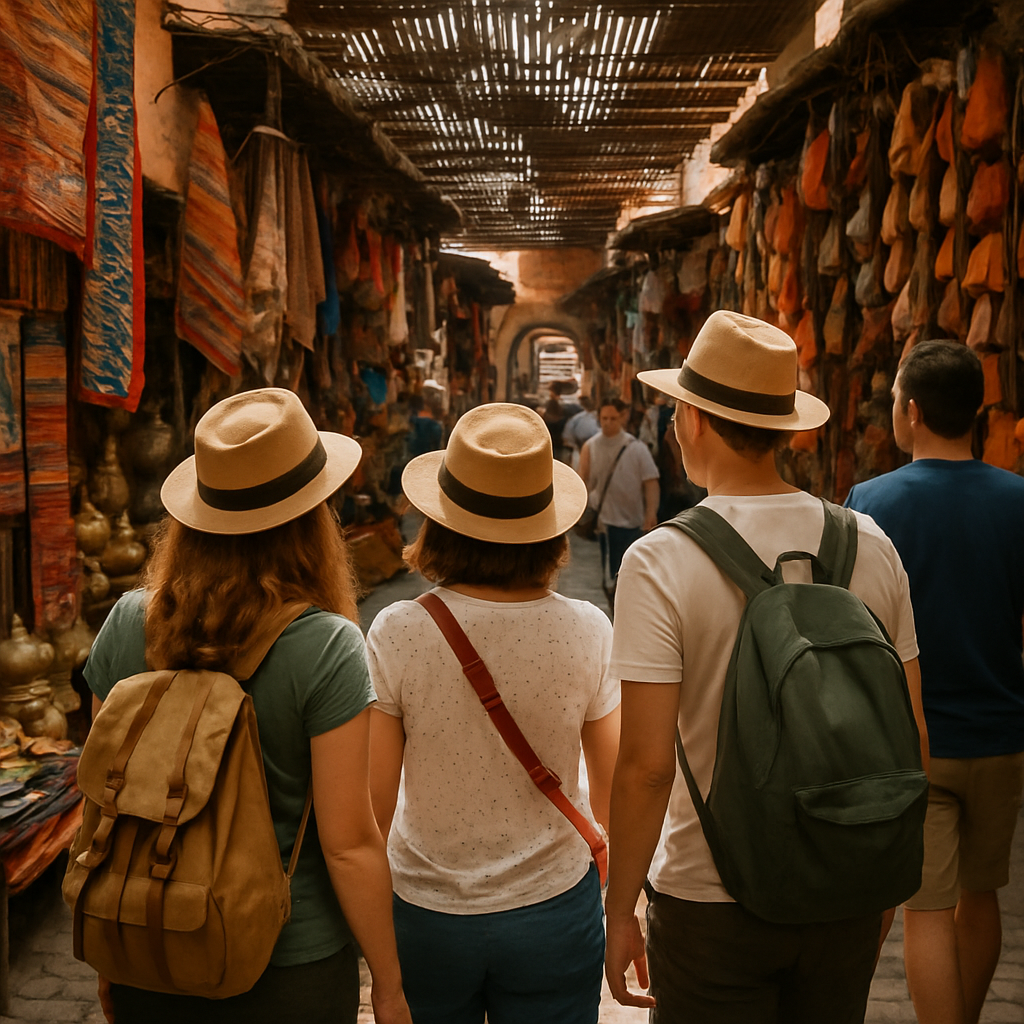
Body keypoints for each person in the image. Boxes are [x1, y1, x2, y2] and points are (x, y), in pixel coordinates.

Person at [603, 310, 927, 1023]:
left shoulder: (659, 560)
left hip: (708, 899)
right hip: (844, 884)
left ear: (692, 420)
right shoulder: (871, 544)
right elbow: (911, 733)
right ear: (784, 428)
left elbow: (647, 767)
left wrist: (620, 907)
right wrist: (882, 882)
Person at [82, 388, 411, 1024]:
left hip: (150, 942)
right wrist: (390, 987)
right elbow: (349, 844)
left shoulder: (127, 623)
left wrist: (111, 953)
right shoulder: (326, 646)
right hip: (290, 964)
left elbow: (105, 805)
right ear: (311, 518)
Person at [366, 403, 621, 1024]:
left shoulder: (399, 630)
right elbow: (611, 785)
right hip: (552, 906)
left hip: (426, 911)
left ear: (440, 524)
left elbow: (373, 803)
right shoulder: (587, 629)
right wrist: (616, 898)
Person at [846, 341, 1024, 1024]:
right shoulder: (1017, 501)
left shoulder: (872, 502)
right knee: (982, 896)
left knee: (925, 911)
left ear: (913, 411)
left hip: (915, 741)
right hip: (1000, 736)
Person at [577, 397, 659, 596]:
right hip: (604, 521)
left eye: (613, 418)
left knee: (629, 571)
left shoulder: (636, 448)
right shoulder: (591, 446)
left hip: (632, 520)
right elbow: (582, 480)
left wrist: (651, 513)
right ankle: (614, 605)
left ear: (622, 418)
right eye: (604, 418)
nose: (608, 423)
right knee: (611, 574)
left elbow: (650, 483)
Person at [563, 396, 600, 471]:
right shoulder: (577, 419)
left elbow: (566, 439)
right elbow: (567, 439)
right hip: (581, 450)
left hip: (593, 451)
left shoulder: (576, 419)